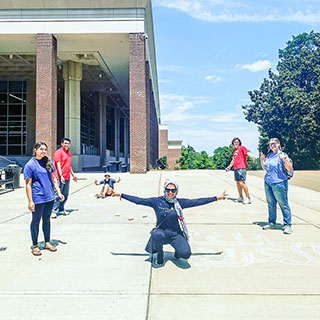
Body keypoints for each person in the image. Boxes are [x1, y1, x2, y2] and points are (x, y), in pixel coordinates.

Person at [112, 181, 227, 266]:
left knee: (185, 254)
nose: (170, 192)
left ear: (176, 191)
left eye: (173, 190)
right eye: (168, 190)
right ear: (164, 190)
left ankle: (177, 251)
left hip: (175, 234)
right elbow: (139, 200)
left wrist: (217, 198)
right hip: (161, 232)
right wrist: (121, 195)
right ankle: (160, 253)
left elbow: (197, 201)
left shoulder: (180, 203)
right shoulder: (156, 201)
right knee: (156, 235)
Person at [24, 142, 64, 256]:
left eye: (45, 149)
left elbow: (54, 179)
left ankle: (47, 242)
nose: (43, 151)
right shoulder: (30, 165)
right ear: (35, 150)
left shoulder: (48, 161)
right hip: (38, 197)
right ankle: (35, 245)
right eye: (41, 149)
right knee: (36, 221)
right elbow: (28, 184)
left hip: (49, 196)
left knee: (47, 220)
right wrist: (30, 201)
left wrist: (59, 192)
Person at [259, 138, 293, 234]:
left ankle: (287, 225)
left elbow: (289, 168)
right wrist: (262, 160)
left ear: (278, 144)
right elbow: (265, 168)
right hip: (268, 182)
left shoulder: (282, 155)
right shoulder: (270, 155)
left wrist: (284, 159)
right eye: (270, 144)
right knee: (271, 203)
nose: (272, 145)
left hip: (279, 183)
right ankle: (272, 222)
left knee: (283, 204)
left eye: (274, 143)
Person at [51, 138, 77, 218]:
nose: (66, 145)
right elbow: (58, 164)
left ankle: (61, 209)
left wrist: (73, 175)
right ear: (62, 144)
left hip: (67, 177)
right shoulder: (58, 152)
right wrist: (61, 175)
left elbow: (69, 166)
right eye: (65, 143)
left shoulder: (68, 153)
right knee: (58, 194)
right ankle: (54, 211)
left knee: (65, 194)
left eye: (68, 143)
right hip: (59, 177)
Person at [226, 137, 256, 204]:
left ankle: (248, 198)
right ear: (233, 143)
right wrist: (229, 167)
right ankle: (240, 197)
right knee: (237, 183)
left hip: (242, 167)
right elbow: (233, 160)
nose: (236, 143)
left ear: (239, 142)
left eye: (237, 142)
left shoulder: (242, 147)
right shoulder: (234, 151)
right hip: (236, 168)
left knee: (242, 182)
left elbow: (247, 152)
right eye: (235, 142)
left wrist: (252, 157)